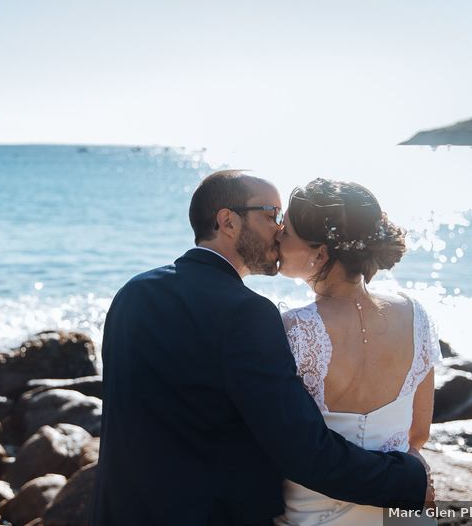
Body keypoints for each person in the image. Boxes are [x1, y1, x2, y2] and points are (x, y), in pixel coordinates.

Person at [91, 170, 433, 526]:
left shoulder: (132, 293)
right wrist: (409, 480)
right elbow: (303, 452)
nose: (280, 230)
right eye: (271, 215)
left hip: (119, 511)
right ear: (228, 221)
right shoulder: (247, 314)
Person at [274, 178, 440, 526]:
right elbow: (418, 432)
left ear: (319, 254)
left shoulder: (293, 328)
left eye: (286, 231)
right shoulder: (415, 316)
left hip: (312, 514)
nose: (276, 235)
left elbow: (279, 443)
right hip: (399, 511)